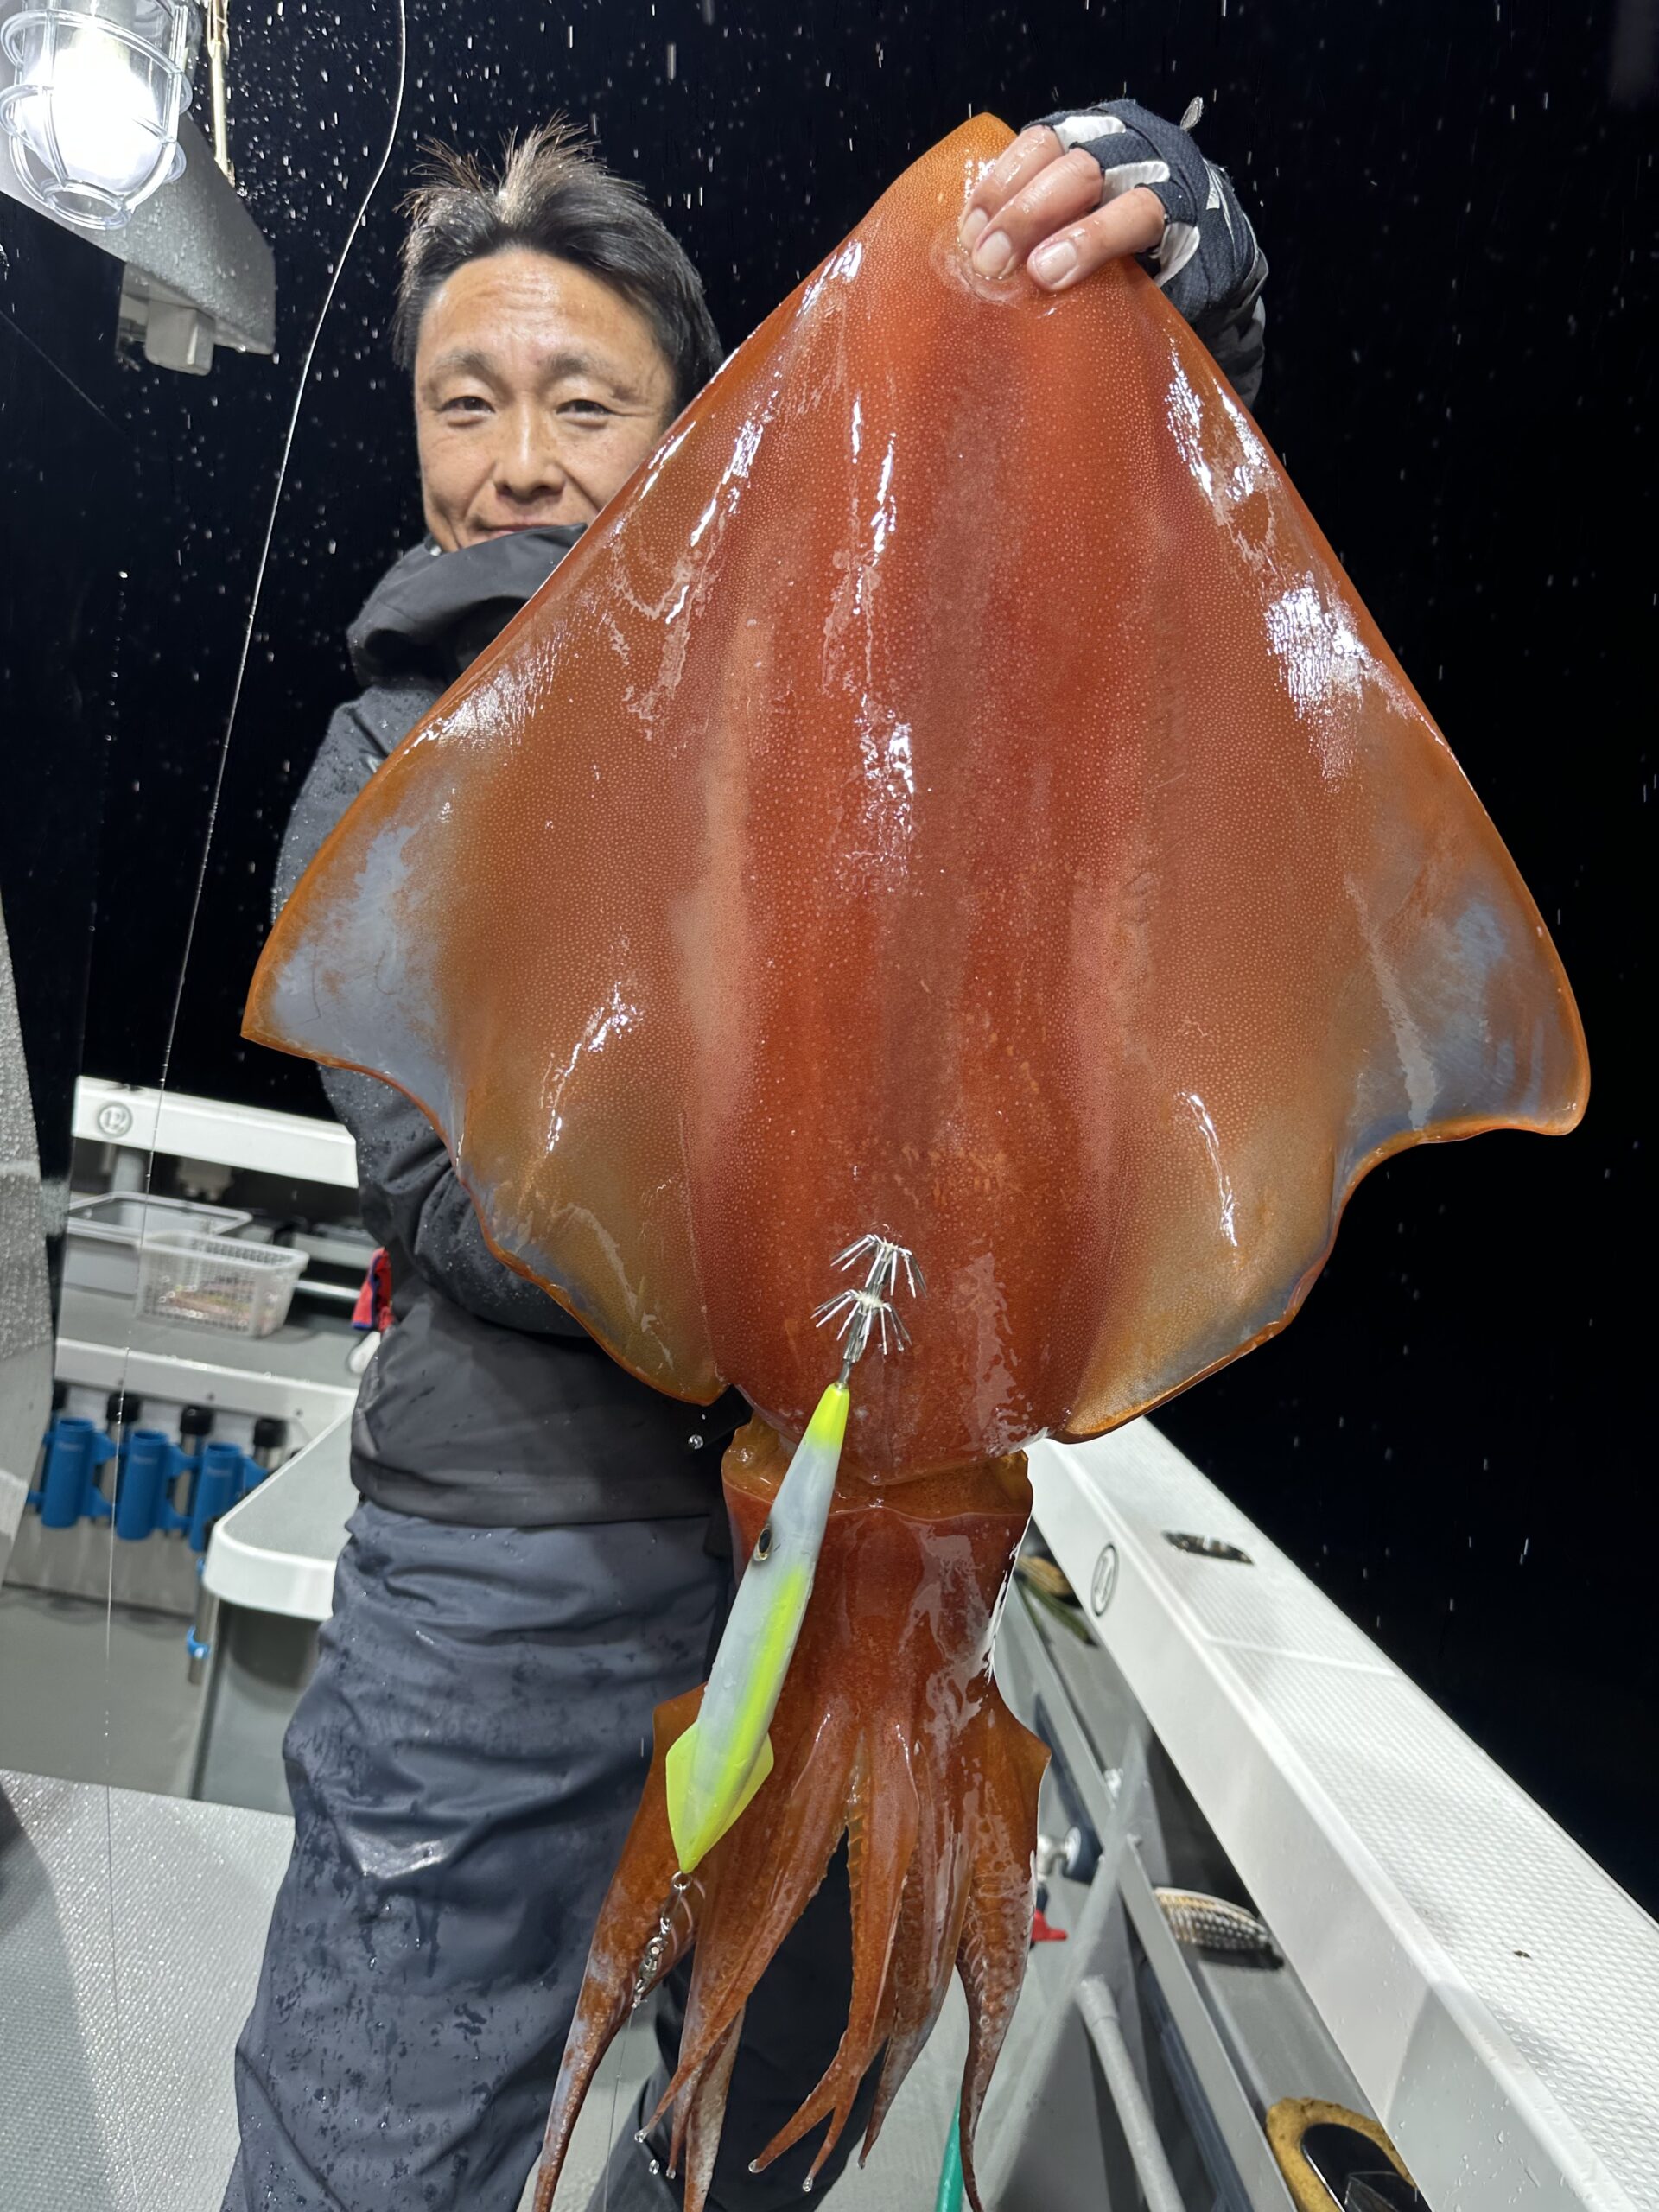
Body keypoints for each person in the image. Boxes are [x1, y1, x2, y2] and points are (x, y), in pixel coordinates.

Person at [224, 98, 1267, 2212]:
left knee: (751, 2140)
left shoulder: (837, 685)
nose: (516, 454)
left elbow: (1064, 606)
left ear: (698, 433)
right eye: (465, 402)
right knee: (373, 2136)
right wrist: (811, 1270)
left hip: (834, 1583)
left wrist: (1177, 306)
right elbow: (457, 1194)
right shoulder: (384, 754)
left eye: (583, 399)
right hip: (507, 1583)